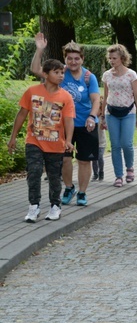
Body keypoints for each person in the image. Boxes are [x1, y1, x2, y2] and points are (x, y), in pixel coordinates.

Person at [31, 35, 100, 207]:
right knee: (65, 159)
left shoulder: (89, 77)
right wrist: (39, 49)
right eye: (70, 58)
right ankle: (69, 188)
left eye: (77, 58)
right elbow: (35, 69)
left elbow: (96, 100)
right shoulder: (60, 73)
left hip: (85, 124)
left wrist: (92, 116)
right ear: (65, 59)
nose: (73, 62)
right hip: (61, 125)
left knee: (84, 160)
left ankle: (82, 192)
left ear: (82, 59)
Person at [8, 58, 75, 222]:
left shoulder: (65, 97)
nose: (60, 76)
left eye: (62, 73)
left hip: (56, 144)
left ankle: (55, 206)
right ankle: (34, 206)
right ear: (45, 74)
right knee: (34, 172)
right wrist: (13, 137)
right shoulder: (32, 92)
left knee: (54, 177)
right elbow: (22, 114)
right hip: (34, 141)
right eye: (56, 72)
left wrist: (68, 140)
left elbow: (68, 120)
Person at [100, 44, 137, 188]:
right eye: (110, 58)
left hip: (128, 112)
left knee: (126, 143)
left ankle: (129, 167)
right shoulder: (107, 75)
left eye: (115, 58)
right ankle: (118, 175)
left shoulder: (131, 74)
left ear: (122, 58)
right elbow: (105, 95)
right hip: (111, 112)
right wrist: (102, 115)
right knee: (115, 145)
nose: (112, 61)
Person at [92, 95, 106, 181]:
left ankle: (101, 172)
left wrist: (103, 125)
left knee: (100, 157)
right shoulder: (92, 118)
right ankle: (95, 174)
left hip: (101, 142)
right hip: (93, 142)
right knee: (93, 158)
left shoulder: (102, 118)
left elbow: (104, 127)